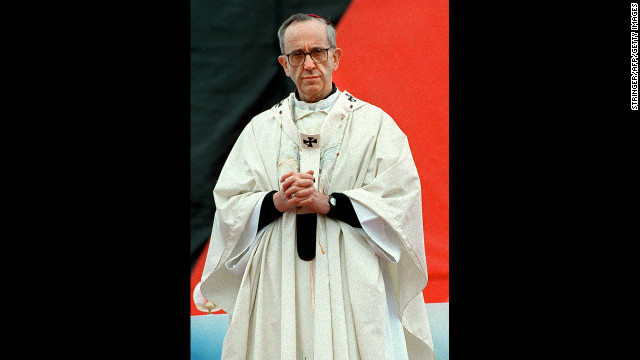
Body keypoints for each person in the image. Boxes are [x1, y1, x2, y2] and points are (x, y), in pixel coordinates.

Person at [194, 13, 434, 360]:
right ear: (284, 64)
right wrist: (275, 201)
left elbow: (401, 198)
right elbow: (229, 202)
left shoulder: (375, 126)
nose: (308, 64)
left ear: (335, 57)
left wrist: (330, 203)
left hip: (350, 273)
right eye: (297, 55)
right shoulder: (260, 131)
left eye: (318, 52)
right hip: (277, 278)